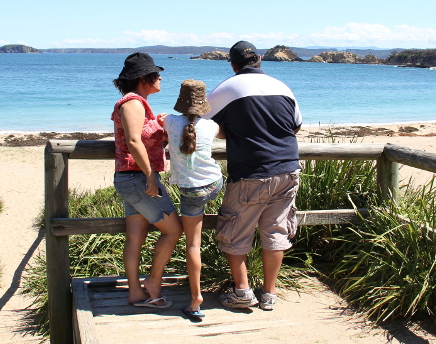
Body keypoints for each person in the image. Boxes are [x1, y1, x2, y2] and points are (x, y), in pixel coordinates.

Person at [203, 41, 302, 311]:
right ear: (259, 59)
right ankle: (269, 294)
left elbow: (200, 124)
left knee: (234, 232)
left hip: (251, 172)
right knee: (276, 231)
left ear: (233, 64)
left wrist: (228, 131)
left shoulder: (226, 88)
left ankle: (243, 291)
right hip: (288, 169)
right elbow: (295, 127)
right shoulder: (283, 88)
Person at [111, 52, 184, 308]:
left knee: (135, 236)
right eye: (156, 74)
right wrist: (151, 177)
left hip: (131, 178)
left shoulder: (140, 104)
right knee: (174, 229)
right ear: (144, 78)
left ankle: (135, 292)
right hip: (137, 179)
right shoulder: (132, 103)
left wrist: (162, 129)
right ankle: (153, 282)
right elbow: (132, 141)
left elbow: (145, 139)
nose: (160, 77)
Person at [162, 79, 224, 320]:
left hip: (192, 191)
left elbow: (163, 127)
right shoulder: (212, 126)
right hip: (214, 183)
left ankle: (196, 298)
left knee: (192, 244)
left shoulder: (169, 121)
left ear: (181, 101)